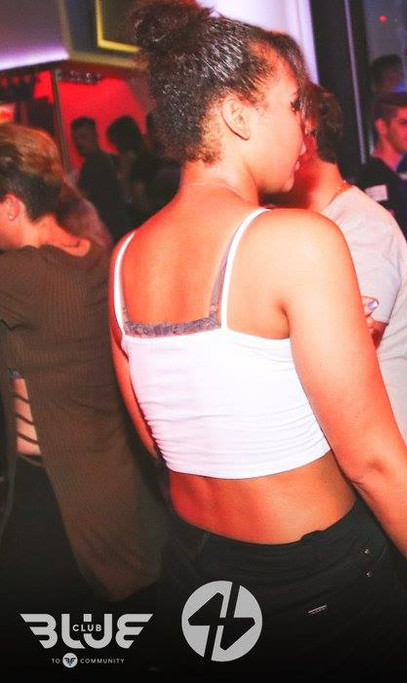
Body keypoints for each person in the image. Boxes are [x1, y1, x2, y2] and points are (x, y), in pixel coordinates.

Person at [114, 2, 407, 676]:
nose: (305, 128)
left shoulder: (124, 259)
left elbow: (159, 442)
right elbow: (374, 461)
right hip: (314, 587)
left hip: (197, 577)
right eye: (292, 105)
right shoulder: (298, 241)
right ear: (238, 115)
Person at [0, 125, 167, 660]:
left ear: (10, 206)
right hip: (124, 492)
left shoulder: (18, 276)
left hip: (57, 504)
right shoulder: (99, 256)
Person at [276, 83, 407, 467]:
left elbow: (344, 362)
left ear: (306, 137)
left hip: (383, 467)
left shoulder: (361, 229)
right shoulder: (303, 225)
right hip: (349, 464)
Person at [355, 91, 407, 345]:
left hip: (398, 306)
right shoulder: (375, 179)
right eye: (404, 123)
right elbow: (386, 252)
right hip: (390, 312)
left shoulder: (392, 178)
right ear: (382, 127)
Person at [71, 116, 131, 240]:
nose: (78, 143)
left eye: (83, 137)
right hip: (119, 225)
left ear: (94, 135)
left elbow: (82, 197)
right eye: (75, 139)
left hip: (109, 229)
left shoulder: (94, 163)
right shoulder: (109, 159)